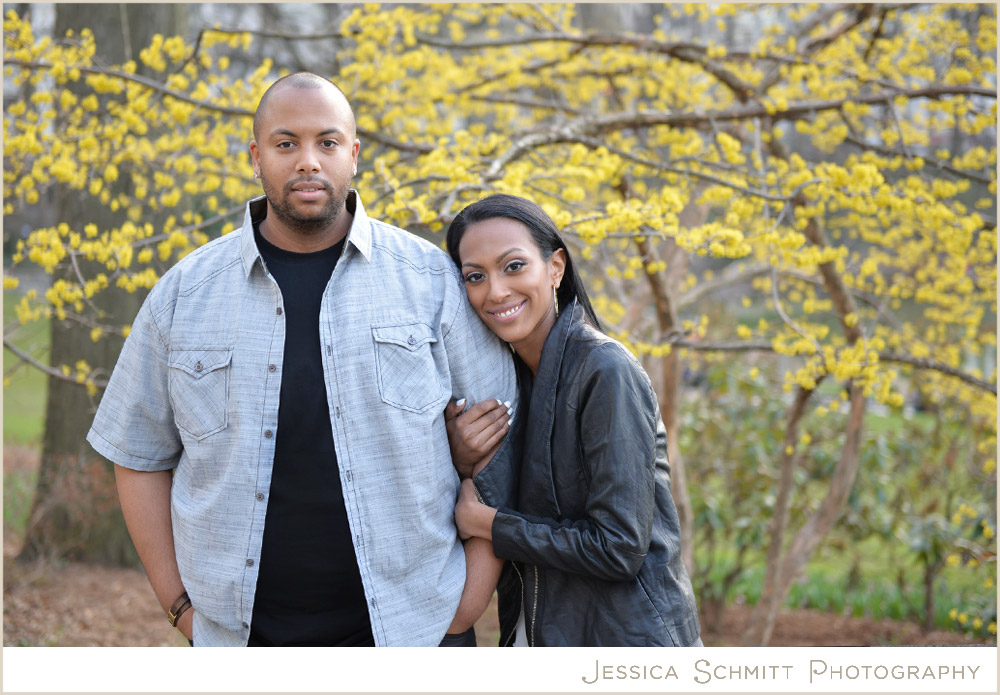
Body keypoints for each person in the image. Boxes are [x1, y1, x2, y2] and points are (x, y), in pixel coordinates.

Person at [86, 73, 517, 647]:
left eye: (328, 143)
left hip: (416, 632)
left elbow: (508, 430)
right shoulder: (185, 295)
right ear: (255, 156)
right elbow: (138, 453)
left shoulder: (430, 281)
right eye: (286, 143)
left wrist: (470, 600)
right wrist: (180, 607)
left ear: (355, 155)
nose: (308, 161)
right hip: (243, 642)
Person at [444, 193, 702, 646]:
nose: (496, 291)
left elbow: (619, 547)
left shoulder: (604, 371)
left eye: (514, 266)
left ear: (556, 268)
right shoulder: (509, 382)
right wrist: (464, 461)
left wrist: (490, 524)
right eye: (475, 276)